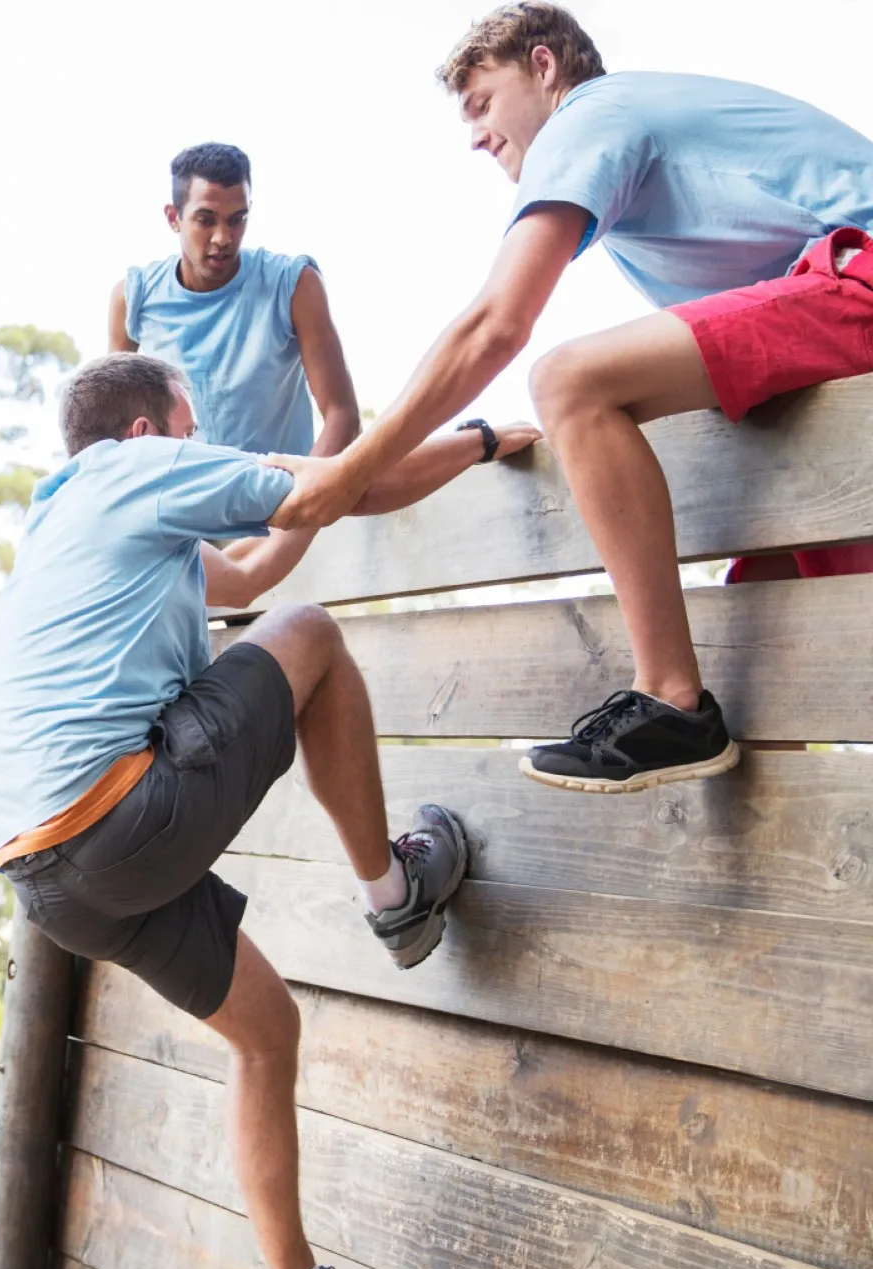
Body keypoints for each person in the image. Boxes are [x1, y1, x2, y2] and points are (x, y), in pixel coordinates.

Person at [265, 1, 873, 792]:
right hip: (833, 331)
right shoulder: (646, 179)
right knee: (759, 641)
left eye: (482, 103)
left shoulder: (591, 116)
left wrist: (346, 470)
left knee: (569, 380)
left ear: (546, 69)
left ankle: (672, 699)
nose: (475, 135)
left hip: (856, 277)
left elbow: (496, 325)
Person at [0, 352, 472, 1269]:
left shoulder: (68, 522)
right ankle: (395, 895)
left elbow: (246, 574)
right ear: (145, 434)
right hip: (114, 824)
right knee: (313, 633)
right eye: (190, 429)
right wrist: (462, 433)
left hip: (50, 885)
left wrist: (409, 462)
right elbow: (317, 496)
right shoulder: (134, 469)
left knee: (266, 1030)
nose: (198, 446)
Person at [111, 142, 540, 604]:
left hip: (278, 494)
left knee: (353, 485)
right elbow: (111, 431)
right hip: (180, 509)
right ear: (173, 218)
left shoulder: (291, 283)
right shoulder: (132, 298)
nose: (223, 237)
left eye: (238, 219)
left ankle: (477, 439)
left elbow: (341, 414)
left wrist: (306, 506)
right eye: (206, 219)